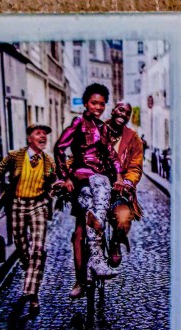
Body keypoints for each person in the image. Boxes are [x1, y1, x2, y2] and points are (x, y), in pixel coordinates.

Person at [54, 83, 124, 296]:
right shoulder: (78, 122)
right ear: (86, 103)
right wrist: (64, 177)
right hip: (82, 179)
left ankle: (103, 254)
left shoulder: (103, 128)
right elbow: (59, 147)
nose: (98, 107)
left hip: (101, 178)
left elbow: (112, 155)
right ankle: (80, 281)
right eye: (94, 103)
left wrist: (120, 175)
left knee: (109, 210)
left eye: (102, 104)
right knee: (78, 232)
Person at [0, 123, 57, 316]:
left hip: (38, 206)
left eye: (45, 134)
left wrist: (58, 186)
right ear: (29, 138)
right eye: (38, 133)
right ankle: (29, 268)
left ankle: (32, 294)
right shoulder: (15, 156)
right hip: (17, 205)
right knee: (22, 248)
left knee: (38, 249)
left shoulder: (49, 161)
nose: (43, 137)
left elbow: (53, 182)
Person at [95, 101, 144, 268]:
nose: (124, 114)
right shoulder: (96, 130)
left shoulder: (133, 138)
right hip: (94, 186)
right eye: (121, 110)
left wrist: (127, 182)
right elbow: (81, 154)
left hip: (120, 192)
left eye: (127, 113)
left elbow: (135, 166)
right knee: (84, 225)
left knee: (123, 219)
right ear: (113, 110)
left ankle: (116, 241)